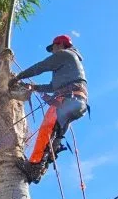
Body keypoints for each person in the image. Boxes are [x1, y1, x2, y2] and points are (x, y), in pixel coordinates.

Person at [11, 34, 88, 181]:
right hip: (76, 102)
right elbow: (52, 87)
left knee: (46, 130)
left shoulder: (65, 54)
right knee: (54, 137)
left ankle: (33, 167)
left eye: (53, 48)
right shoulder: (69, 63)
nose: (52, 52)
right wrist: (33, 87)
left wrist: (18, 77)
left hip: (68, 100)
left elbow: (41, 67)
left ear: (60, 44)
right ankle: (40, 169)